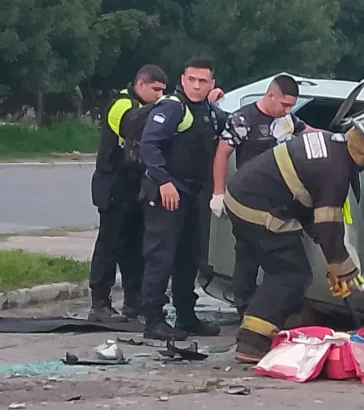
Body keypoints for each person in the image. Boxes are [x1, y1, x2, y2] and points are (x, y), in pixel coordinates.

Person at [223, 118, 364, 363]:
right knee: (290, 273)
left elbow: (311, 210)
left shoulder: (332, 144)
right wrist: (341, 265)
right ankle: (252, 342)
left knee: (264, 261)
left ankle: (262, 320)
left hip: (240, 196)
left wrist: (334, 262)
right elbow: (328, 224)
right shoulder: (337, 171)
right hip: (259, 207)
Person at [210, 74, 317, 319]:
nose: (287, 110)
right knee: (247, 256)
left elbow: (309, 132)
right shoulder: (243, 119)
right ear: (270, 95)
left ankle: (281, 308)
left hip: (281, 200)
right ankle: (244, 309)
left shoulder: (287, 119)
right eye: (284, 104)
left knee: (282, 257)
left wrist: (337, 139)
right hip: (249, 200)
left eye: (291, 106)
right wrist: (218, 193)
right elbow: (222, 154)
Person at [138, 57, 229, 341]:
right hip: (167, 192)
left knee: (189, 257)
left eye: (203, 81)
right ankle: (154, 320)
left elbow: (235, 127)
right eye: (192, 80)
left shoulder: (209, 111)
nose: (196, 86)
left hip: (193, 194)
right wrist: (163, 181)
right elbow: (149, 145)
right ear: (182, 80)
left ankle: (186, 315)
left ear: (212, 84)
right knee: (160, 257)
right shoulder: (172, 107)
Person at [88, 65, 168, 323]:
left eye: (162, 91)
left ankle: (135, 300)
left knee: (134, 246)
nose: (158, 95)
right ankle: (99, 302)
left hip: (134, 186)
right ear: (140, 84)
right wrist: (160, 108)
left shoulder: (146, 105)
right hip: (113, 185)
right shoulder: (121, 104)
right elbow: (129, 127)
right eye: (155, 89)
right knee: (108, 245)